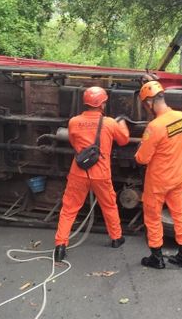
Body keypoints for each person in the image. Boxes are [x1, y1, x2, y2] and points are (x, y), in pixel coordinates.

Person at [54, 86, 130, 262]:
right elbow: (124, 140)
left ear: (85, 103)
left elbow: (74, 143)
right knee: (109, 206)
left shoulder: (73, 121)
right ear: (103, 104)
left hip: (78, 172)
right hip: (101, 174)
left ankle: (60, 246)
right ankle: (116, 238)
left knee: (68, 209)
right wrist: (123, 124)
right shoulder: (110, 123)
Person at [135, 81, 182, 269]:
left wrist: (138, 151)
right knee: (179, 214)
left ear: (149, 103)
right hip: (177, 178)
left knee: (152, 217)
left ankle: (156, 258)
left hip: (157, 182)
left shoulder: (154, 127)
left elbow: (142, 159)